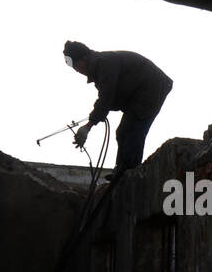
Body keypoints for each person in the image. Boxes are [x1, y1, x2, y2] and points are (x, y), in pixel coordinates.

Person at [63, 40, 173, 173]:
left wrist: (89, 125)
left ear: (84, 57)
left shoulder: (104, 63)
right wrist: (97, 115)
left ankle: (128, 171)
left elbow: (106, 97)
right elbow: (110, 99)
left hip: (151, 89)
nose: (75, 69)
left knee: (132, 129)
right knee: (122, 132)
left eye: (75, 63)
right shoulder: (100, 67)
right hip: (140, 94)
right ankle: (122, 170)